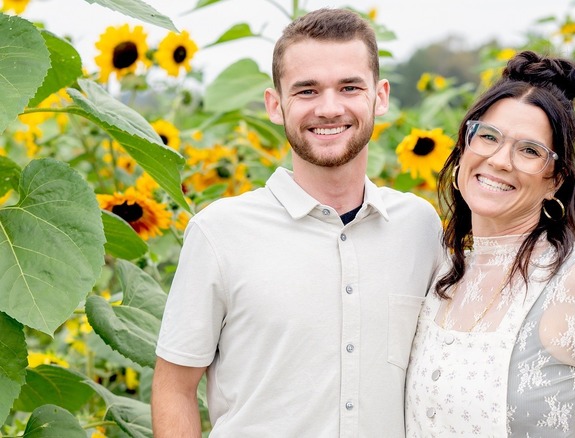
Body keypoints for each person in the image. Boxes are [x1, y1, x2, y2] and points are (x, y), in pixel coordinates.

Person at [151, 8, 444, 436]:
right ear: (275, 105)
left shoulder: (419, 227)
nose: (329, 108)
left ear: (379, 97)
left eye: (349, 87)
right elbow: (174, 388)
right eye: (307, 91)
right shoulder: (219, 232)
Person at [404, 51, 575, 436]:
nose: (501, 160)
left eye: (530, 150)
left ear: (556, 180)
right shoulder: (441, 272)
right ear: (464, 148)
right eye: (487, 137)